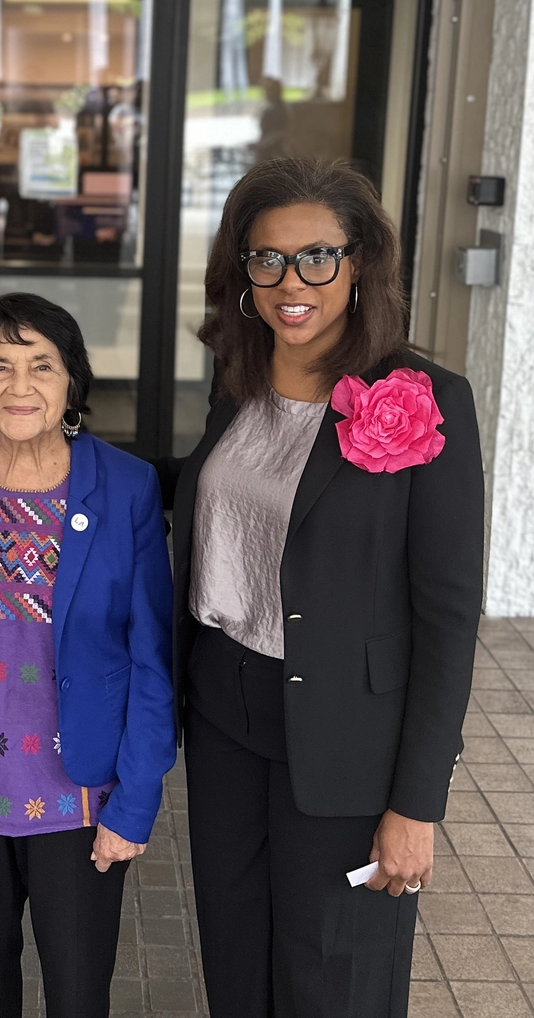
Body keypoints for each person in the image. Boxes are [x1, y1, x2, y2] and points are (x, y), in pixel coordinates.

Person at [170, 157, 483, 1018]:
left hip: (348, 731)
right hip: (226, 710)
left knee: (333, 970)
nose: (290, 282)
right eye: (266, 260)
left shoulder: (426, 399)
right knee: (235, 951)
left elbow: (449, 618)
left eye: (318, 257)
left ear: (360, 263)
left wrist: (417, 804)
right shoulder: (236, 383)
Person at [0, 293, 174, 1018]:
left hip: (78, 792)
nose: (20, 387)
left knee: (78, 987)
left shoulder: (128, 486)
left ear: (71, 383)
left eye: (41, 366)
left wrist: (136, 803)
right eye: (0, 367)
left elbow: (151, 657)